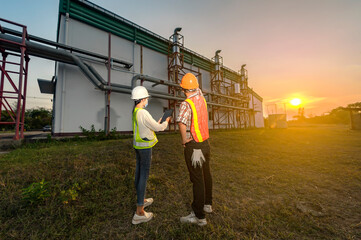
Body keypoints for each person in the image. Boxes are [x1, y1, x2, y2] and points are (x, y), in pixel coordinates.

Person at [176, 73, 213, 226]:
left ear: (183, 89)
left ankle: (199, 216)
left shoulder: (186, 103)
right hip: (205, 144)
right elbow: (197, 90)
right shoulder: (202, 98)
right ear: (196, 87)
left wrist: (184, 140)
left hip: (195, 147)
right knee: (206, 175)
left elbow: (182, 123)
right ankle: (207, 204)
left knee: (197, 180)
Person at [131, 86, 170, 225]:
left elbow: (149, 126)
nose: (147, 100)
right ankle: (139, 212)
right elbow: (159, 128)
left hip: (137, 146)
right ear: (142, 99)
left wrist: (156, 123)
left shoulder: (136, 111)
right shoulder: (143, 112)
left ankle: (141, 199)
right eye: (146, 98)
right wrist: (166, 122)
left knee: (139, 173)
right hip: (145, 148)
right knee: (144, 176)